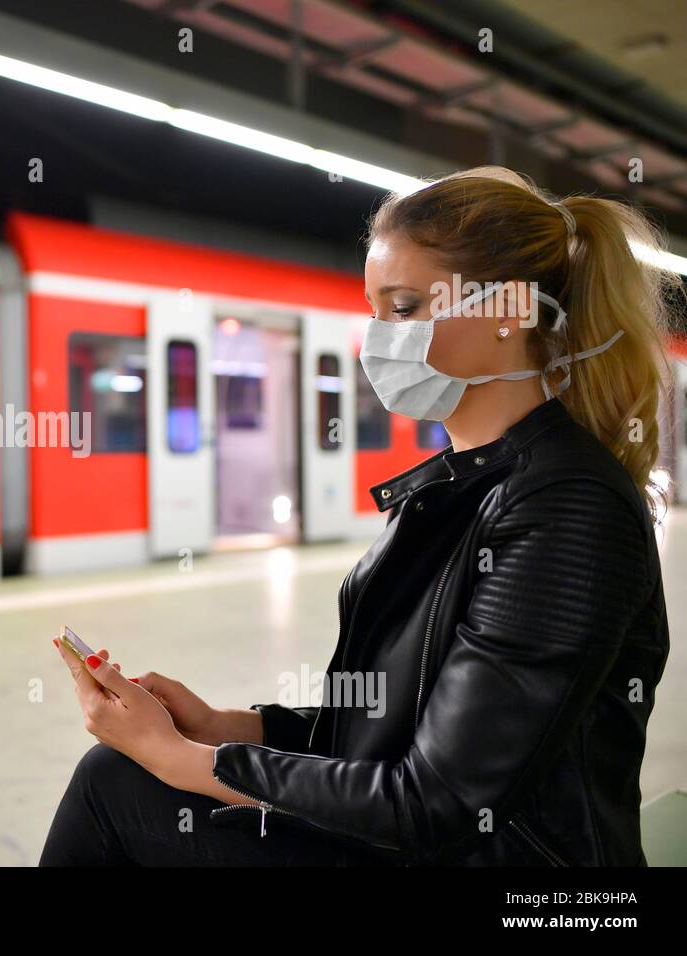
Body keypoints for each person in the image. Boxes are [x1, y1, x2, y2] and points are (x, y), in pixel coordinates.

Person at [39, 167, 677, 866]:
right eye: (374, 311)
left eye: (404, 308)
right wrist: (225, 727)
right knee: (114, 778)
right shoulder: (459, 488)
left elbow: (437, 801)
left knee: (115, 788)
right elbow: (391, 729)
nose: (380, 338)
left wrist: (178, 758)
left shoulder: (567, 508)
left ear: (509, 311)